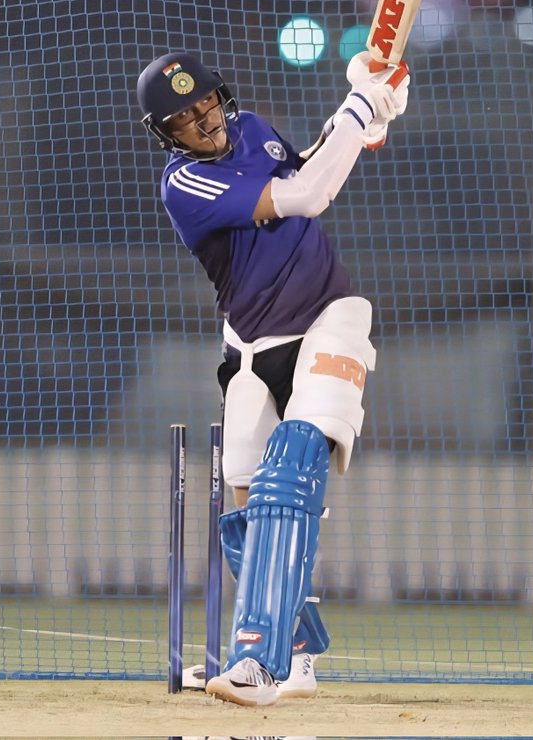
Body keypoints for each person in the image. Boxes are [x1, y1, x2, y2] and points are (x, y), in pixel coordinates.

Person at [136, 49, 410, 706]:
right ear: (167, 134)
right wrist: (359, 105)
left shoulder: (254, 126)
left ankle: (254, 664)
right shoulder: (185, 184)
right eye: (184, 118)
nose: (203, 121)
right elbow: (307, 195)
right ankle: (296, 657)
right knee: (242, 517)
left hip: (329, 318)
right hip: (253, 349)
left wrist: (376, 113)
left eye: (205, 104)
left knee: (292, 463)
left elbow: (316, 164)